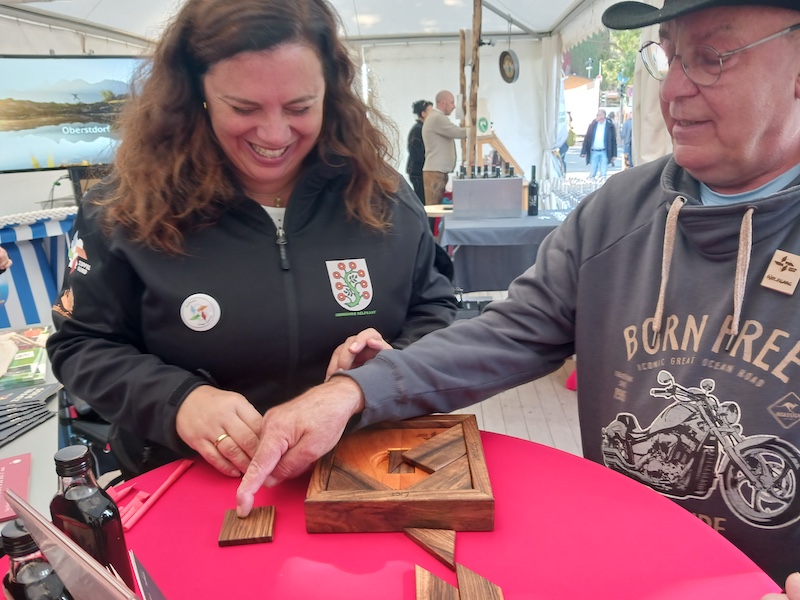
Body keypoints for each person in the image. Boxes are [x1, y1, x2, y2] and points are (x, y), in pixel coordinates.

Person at [236, 0, 800, 595]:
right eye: (669, 56)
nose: (674, 90)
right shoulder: (617, 211)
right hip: (625, 563)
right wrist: (354, 391)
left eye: (712, 58)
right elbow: (511, 331)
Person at [45, 0, 457, 479]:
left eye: (300, 107)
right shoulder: (124, 209)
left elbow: (435, 310)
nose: (275, 134)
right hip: (189, 479)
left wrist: (378, 376)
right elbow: (82, 345)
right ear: (196, 93)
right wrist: (180, 401)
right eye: (243, 108)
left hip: (363, 474)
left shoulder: (382, 196)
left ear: (331, 93)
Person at [421, 90, 467, 206]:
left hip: (437, 171)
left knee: (435, 206)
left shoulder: (435, 117)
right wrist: (477, 129)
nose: (454, 106)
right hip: (435, 172)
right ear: (442, 103)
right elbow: (457, 132)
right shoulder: (437, 118)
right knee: (434, 208)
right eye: (451, 103)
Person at [406, 99, 432, 205]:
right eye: (431, 111)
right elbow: (416, 152)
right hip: (417, 171)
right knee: (422, 200)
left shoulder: (424, 128)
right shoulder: (418, 129)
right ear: (423, 113)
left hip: (420, 170)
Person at [580, 108, 617, 178]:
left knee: (603, 173)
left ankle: (602, 183)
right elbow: (587, 138)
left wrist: (614, 154)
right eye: (597, 115)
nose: (597, 117)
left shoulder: (610, 126)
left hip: (604, 152)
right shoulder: (592, 125)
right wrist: (583, 151)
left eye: (599, 115)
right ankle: (592, 182)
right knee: (592, 173)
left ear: (603, 116)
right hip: (594, 151)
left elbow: (613, 141)